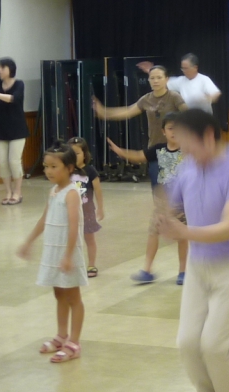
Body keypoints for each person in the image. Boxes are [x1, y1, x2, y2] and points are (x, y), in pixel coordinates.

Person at [156, 109, 229, 392]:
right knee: (188, 342)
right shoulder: (188, 168)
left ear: (209, 137)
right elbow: (170, 202)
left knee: (215, 344)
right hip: (199, 266)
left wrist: (184, 232)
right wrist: (162, 216)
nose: (184, 150)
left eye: (189, 143)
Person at [16, 145, 87, 364]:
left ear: (69, 168)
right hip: (54, 251)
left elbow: (74, 226)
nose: (48, 171)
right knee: (59, 294)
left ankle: (74, 342)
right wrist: (29, 241)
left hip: (67, 253)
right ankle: (61, 335)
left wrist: (68, 255)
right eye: (46, 166)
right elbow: (45, 219)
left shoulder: (72, 193)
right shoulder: (54, 191)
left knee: (73, 297)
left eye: (54, 166)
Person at [108, 114, 188, 285]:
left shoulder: (188, 151)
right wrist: (120, 151)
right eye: (170, 128)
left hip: (182, 203)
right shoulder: (158, 150)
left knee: (182, 237)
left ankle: (183, 271)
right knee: (153, 233)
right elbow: (138, 156)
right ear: (163, 131)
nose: (174, 132)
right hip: (162, 203)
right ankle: (147, 270)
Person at [93, 65, 186, 151]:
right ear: (148, 80)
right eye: (152, 78)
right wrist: (104, 112)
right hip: (154, 146)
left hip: (175, 147)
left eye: (159, 77)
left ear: (166, 79)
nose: (155, 81)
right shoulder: (146, 99)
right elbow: (128, 112)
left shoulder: (174, 96)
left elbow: (189, 115)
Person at [0, 57, 29, 206]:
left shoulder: (19, 84)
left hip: (17, 130)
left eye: (2, 68)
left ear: (10, 69)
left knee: (14, 161)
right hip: (1, 129)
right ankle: (8, 191)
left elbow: (14, 98)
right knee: (2, 163)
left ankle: (18, 192)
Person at [68, 137, 104, 278]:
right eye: (71, 153)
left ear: (84, 154)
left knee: (89, 239)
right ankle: (71, 263)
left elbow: (98, 190)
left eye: (77, 153)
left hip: (87, 211)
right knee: (70, 238)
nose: (74, 156)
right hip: (70, 212)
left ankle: (91, 264)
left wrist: (100, 207)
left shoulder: (90, 170)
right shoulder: (67, 171)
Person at [139, 54, 221, 114]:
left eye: (186, 68)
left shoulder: (204, 79)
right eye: (182, 68)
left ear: (195, 67)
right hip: (187, 118)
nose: (184, 71)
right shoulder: (181, 80)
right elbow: (164, 82)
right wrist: (151, 71)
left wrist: (208, 98)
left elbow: (216, 93)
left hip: (203, 118)